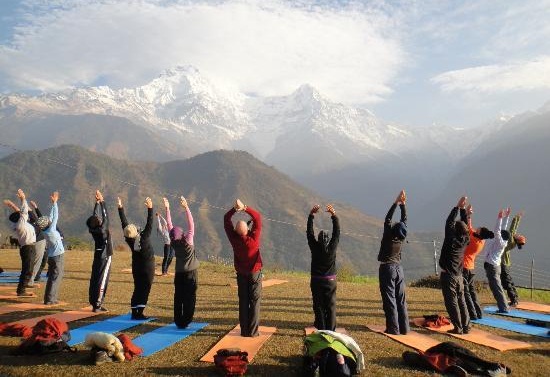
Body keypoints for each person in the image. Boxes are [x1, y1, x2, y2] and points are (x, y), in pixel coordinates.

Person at [223, 199, 263, 337]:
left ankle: (245, 331)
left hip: (241, 274)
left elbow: (226, 219)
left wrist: (234, 209)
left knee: (243, 301)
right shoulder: (254, 239)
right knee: (255, 301)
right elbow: (257, 218)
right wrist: (244, 208)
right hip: (255, 274)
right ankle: (253, 331)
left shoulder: (233, 239)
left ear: (235, 231)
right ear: (248, 230)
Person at [118, 196, 155, 320]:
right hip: (147, 268)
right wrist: (150, 208)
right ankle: (140, 313)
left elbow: (124, 224)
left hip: (136, 267)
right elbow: (150, 223)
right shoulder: (143, 238)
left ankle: (134, 312)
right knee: (145, 289)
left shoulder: (129, 239)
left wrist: (120, 208)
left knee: (137, 288)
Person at [378, 190, 409, 335]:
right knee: (400, 300)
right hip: (399, 269)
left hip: (388, 269)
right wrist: (403, 205)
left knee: (390, 299)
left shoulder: (388, 236)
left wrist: (396, 203)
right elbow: (404, 222)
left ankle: (393, 329)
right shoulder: (401, 237)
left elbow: (388, 219)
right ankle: (404, 328)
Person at [164, 196, 198, 328]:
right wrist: (186, 208)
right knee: (190, 297)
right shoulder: (188, 240)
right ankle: (186, 321)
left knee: (178, 297)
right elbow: (191, 224)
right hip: (190, 273)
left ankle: (178, 321)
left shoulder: (173, 243)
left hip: (179, 273)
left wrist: (167, 208)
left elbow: (169, 225)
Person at [438, 197, 471, 334]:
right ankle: (466, 326)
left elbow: (449, 222)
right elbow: (465, 227)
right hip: (459, 276)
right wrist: (463, 210)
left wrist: (457, 207)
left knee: (451, 303)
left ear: (454, 231)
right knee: (461, 301)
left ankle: (458, 327)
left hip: (449, 276)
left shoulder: (451, 240)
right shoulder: (465, 239)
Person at [306, 203, 340, 331]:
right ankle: (331, 330)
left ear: (318, 239)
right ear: (328, 240)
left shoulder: (314, 247)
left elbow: (309, 234)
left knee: (318, 305)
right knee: (331, 306)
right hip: (330, 281)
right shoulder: (332, 248)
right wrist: (334, 215)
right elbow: (337, 233)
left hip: (316, 280)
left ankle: (321, 329)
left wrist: (311, 216)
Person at [462, 204, 494, 320]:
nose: (476, 228)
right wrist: (469, 215)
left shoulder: (473, 240)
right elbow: (470, 229)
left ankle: (472, 314)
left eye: (478, 229)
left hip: (464, 267)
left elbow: (466, 229)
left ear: (479, 233)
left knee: (466, 292)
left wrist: (466, 214)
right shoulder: (481, 241)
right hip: (471, 267)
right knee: (472, 291)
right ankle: (478, 312)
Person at [3, 189, 36, 296]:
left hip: (27, 248)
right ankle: (21, 291)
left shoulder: (18, 223)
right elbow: (24, 210)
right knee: (28, 270)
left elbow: (21, 212)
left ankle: (21, 289)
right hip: (28, 248)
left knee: (27, 269)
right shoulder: (21, 224)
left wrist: (12, 205)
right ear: (19, 218)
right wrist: (23, 199)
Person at [86, 190, 113, 312]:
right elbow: (106, 216)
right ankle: (97, 304)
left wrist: (96, 204)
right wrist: (102, 202)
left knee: (95, 278)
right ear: (98, 223)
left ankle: (93, 301)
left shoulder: (93, 229)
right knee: (102, 280)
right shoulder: (102, 230)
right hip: (105, 256)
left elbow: (94, 217)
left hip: (98, 255)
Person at [37, 191, 65, 305]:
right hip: (58, 256)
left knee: (52, 277)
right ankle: (50, 300)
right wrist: (55, 203)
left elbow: (52, 217)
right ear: (48, 224)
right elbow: (55, 217)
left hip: (52, 256)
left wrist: (53, 204)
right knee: (56, 278)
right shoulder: (52, 230)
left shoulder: (46, 231)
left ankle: (49, 298)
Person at [483, 208, 511, 313]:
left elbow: (498, 230)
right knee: (496, 287)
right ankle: (503, 306)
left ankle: (504, 308)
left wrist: (499, 218)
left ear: (501, 236)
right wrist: (506, 217)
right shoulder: (504, 240)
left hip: (492, 266)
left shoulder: (500, 242)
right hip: (495, 266)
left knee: (497, 288)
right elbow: (503, 229)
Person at [500, 213, 526, 307]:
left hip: (503, 264)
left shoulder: (511, 241)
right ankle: (515, 297)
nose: (518, 234)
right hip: (507, 264)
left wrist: (515, 219)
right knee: (509, 281)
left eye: (519, 236)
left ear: (517, 240)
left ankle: (514, 300)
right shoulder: (513, 242)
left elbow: (512, 230)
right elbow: (514, 230)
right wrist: (518, 218)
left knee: (507, 283)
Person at [26, 201, 46, 287]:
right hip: (39, 242)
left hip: (32, 243)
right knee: (36, 262)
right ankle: (30, 281)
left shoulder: (27, 223)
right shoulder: (33, 223)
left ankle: (28, 280)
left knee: (31, 262)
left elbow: (32, 212)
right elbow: (41, 218)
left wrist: (24, 201)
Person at [156, 211, 174, 275]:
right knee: (166, 258)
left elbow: (165, 222)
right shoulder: (162, 231)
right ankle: (164, 272)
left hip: (172, 245)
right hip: (167, 245)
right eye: (163, 226)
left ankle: (166, 270)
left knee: (171, 257)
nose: (165, 225)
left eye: (165, 226)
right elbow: (159, 223)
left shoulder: (167, 230)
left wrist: (160, 216)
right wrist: (158, 217)